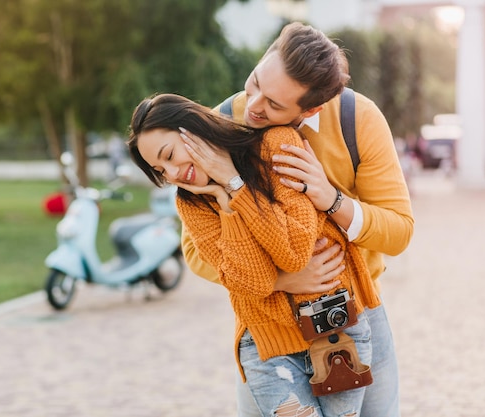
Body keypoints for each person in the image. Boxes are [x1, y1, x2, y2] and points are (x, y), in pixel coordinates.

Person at [182, 22, 414, 417]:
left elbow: (398, 231)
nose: (253, 105)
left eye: (274, 104)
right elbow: (194, 249)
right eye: (254, 82)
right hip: (266, 327)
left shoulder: (357, 120)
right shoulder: (221, 124)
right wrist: (277, 281)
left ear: (311, 109)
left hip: (353, 316)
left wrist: (330, 198)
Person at [128, 93, 382, 416]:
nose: (173, 173)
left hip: (336, 333)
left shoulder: (276, 146)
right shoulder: (191, 202)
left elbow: (295, 253)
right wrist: (226, 200)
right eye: (160, 170)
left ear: (192, 128)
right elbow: (252, 281)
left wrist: (237, 187)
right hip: (267, 345)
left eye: (170, 155)